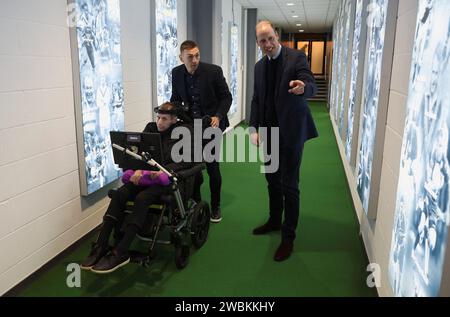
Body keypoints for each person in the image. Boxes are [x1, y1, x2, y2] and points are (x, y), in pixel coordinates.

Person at [81, 102, 194, 273]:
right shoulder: (151, 129)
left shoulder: (183, 133)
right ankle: (100, 245)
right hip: (145, 177)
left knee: (142, 198)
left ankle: (121, 251)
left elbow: (187, 161)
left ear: (173, 120)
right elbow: (138, 153)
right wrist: (136, 169)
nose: (159, 122)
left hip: (167, 181)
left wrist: (166, 172)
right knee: (119, 194)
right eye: (158, 118)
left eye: (164, 119)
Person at [250, 21, 318, 262]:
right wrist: (253, 128)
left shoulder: (296, 57)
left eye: (270, 38)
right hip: (268, 133)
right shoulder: (259, 67)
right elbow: (257, 99)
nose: (267, 44)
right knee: (272, 180)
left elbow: (311, 84)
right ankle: (274, 220)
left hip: (291, 132)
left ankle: (288, 237)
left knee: (290, 185)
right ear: (258, 43)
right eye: (262, 41)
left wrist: (303, 89)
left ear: (276, 36)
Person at [170, 40, 232, 223]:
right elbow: (175, 99)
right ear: (181, 57)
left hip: (212, 124)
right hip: (190, 126)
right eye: (190, 57)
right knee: (193, 168)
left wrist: (218, 116)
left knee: (212, 167)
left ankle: (216, 205)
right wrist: (170, 113)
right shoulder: (176, 73)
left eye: (197, 55)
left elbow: (226, 97)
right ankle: (196, 202)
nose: (195, 60)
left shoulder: (213, 71)